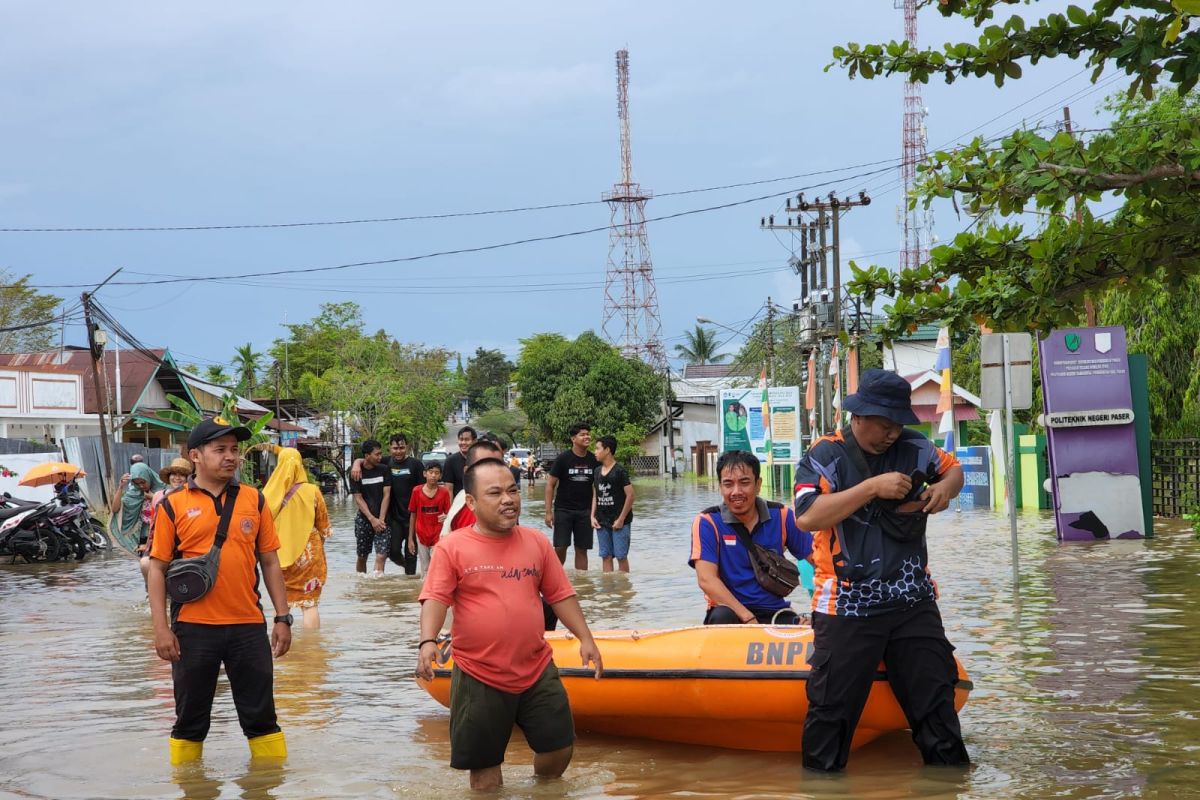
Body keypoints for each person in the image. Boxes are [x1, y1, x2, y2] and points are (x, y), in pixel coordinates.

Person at [793, 368, 969, 772]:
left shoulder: (917, 447)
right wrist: (871, 488)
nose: (892, 432)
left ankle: (950, 785)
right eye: (884, 424)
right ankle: (821, 786)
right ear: (858, 417)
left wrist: (946, 489)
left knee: (937, 709)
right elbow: (806, 517)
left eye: (898, 424)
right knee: (831, 714)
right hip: (846, 605)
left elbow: (953, 469)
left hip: (913, 601)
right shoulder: (825, 455)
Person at [416, 458, 603, 790]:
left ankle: (540, 791)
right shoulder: (452, 548)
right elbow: (436, 598)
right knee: (485, 771)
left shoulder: (536, 542)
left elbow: (560, 594)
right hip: (478, 673)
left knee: (559, 746)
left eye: (513, 490)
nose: (508, 499)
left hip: (536, 667)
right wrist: (427, 641)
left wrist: (585, 638)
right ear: (471, 502)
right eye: (495, 492)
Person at [147, 417, 292, 765]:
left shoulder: (254, 501)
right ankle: (190, 786)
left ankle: (266, 786)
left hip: (247, 626)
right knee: (190, 721)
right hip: (193, 629)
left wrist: (283, 617)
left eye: (234, 450)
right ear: (195, 455)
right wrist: (160, 628)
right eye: (220, 449)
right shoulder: (172, 505)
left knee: (262, 718)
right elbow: (157, 568)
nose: (231, 457)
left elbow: (270, 562)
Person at [689, 450, 812, 625]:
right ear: (720, 487)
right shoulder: (707, 522)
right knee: (722, 617)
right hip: (730, 613)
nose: (736, 491)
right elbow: (706, 580)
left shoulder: (782, 516)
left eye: (744, 483)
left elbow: (820, 560)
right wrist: (748, 618)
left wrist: (822, 610)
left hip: (775, 611)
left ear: (758, 484)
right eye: (728, 484)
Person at [262, 446, 332, 629]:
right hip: (309, 555)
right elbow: (323, 526)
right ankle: (311, 648)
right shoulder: (312, 490)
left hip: (277, 556)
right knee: (309, 604)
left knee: (281, 604)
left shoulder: (268, 493)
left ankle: (283, 646)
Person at [350, 433, 425, 574]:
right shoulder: (384, 462)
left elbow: (423, 491)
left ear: (407, 447)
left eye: (402, 448)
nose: (398, 451)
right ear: (390, 448)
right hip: (394, 518)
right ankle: (404, 573)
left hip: (413, 517)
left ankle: (409, 585)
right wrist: (356, 464)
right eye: (395, 448)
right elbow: (367, 458)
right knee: (392, 552)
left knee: (411, 553)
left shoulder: (416, 465)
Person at [544, 423, 599, 570]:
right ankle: (554, 576)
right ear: (573, 439)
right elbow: (550, 485)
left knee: (582, 549)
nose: (587, 437)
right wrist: (548, 512)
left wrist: (596, 512)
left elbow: (598, 488)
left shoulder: (594, 460)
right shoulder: (563, 458)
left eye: (588, 434)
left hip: (585, 511)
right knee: (561, 546)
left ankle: (582, 584)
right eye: (582, 434)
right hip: (563, 510)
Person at [139, 458, 192, 583]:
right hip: (162, 541)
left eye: (182, 475)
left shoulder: (192, 496)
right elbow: (153, 525)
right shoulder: (158, 496)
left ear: (187, 478)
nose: (177, 478)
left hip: (182, 543)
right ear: (169, 477)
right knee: (145, 563)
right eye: (174, 474)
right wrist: (148, 546)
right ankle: (151, 592)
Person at [590, 435, 634, 573]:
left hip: (619, 521)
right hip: (601, 520)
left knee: (621, 556)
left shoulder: (620, 471)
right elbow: (596, 494)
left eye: (597, 448)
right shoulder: (597, 471)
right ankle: (608, 589)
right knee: (606, 556)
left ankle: (623, 589)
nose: (595, 452)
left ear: (607, 450)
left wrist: (621, 519)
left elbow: (631, 496)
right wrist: (592, 516)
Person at [350, 440, 392, 576]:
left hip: (383, 519)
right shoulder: (356, 473)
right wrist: (371, 519)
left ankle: (376, 588)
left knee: (381, 555)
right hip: (364, 519)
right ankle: (362, 587)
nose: (380, 457)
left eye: (381, 454)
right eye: (377, 454)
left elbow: (387, 495)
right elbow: (358, 498)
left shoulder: (384, 469)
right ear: (367, 456)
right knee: (362, 556)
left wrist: (380, 519)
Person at [112, 461, 164, 556]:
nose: (141, 486)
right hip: (145, 535)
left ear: (149, 477)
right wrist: (120, 487)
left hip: (162, 533)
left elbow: (171, 507)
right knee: (146, 563)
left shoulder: (163, 489)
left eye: (143, 482)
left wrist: (154, 497)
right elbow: (115, 509)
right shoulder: (135, 493)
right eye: (137, 483)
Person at [408, 462, 450, 576]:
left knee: (438, 565)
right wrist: (410, 539)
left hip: (438, 533)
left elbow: (449, 514)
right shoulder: (416, 491)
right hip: (421, 533)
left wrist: (446, 516)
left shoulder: (444, 492)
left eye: (436, 473)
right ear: (424, 474)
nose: (433, 476)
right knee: (425, 568)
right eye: (430, 472)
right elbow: (413, 514)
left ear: (440, 476)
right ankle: (424, 592)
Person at [441, 426, 477, 499]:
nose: (463, 442)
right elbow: (449, 490)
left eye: (467, 440)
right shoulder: (450, 461)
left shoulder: (481, 459)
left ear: (474, 441)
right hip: (459, 505)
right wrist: (451, 510)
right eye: (461, 439)